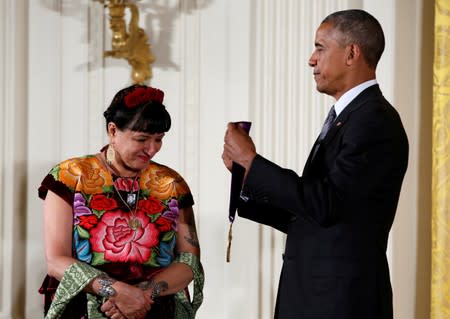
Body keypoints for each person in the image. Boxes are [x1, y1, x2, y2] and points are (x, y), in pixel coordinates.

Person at [222, 9, 408, 319]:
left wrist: (252, 162)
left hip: (342, 302)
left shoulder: (373, 119)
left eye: (320, 47)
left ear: (351, 53)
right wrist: (246, 178)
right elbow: (311, 214)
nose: (311, 59)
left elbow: (327, 204)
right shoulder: (349, 117)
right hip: (317, 297)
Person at [38, 84, 204, 319]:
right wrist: (115, 291)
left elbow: (189, 261)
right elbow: (56, 261)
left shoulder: (171, 184)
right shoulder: (69, 176)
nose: (152, 149)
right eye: (142, 139)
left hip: (154, 309)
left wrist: (142, 295)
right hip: (84, 308)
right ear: (113, 131)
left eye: (159, 139)